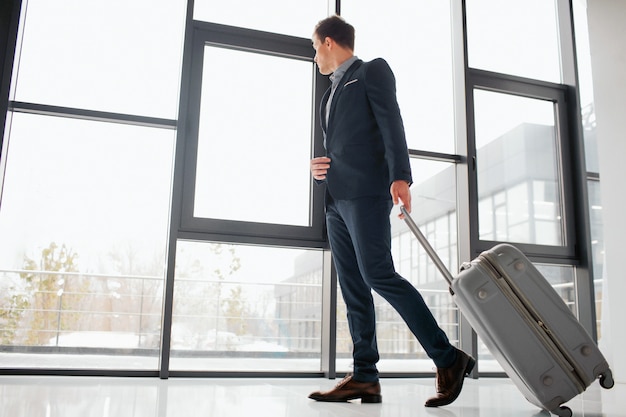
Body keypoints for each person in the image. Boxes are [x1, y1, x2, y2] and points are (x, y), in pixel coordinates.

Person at [307, 15, 475, 407]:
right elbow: (342, 145)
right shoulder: (327, 96)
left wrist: (401, 176)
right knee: (353, 288)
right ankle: (365, 376)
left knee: (379, 274)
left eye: (315, 47)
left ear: (329, 42)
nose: (314, 56)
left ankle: (448, 358)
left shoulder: (371, 72)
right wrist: (319, 169)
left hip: (367, 195)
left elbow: (391, 123)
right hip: (336, 200)